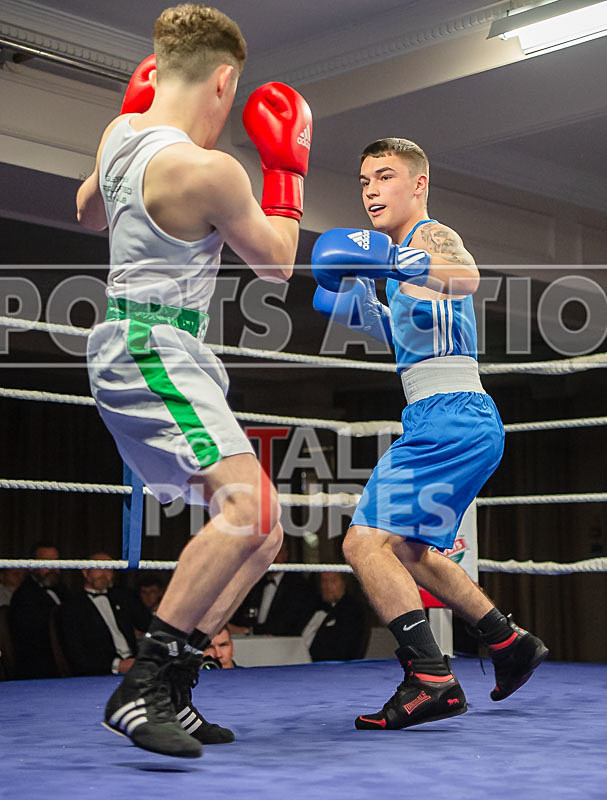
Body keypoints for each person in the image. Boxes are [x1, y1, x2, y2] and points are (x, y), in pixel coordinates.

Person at [77, 4, 312, 758]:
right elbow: (276, 262)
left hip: (144, 342)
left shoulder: (119, 138)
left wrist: (128, 121)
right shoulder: (208, 170)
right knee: (248, 508)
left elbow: (85, 210)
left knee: (264, 532)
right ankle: (140, 683)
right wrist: (287, 169)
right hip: (152, 345)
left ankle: (173, 687)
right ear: (223, 81)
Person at [311, 137, 548, 730]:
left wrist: (397, 264)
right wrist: (375, 311)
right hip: (444, 415)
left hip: (451, 416)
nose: (371, 190)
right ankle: (507, 641)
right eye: (364, 180)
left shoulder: (428, 237)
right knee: (410, 550)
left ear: (417, 184)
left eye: (385, 176)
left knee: (364, 544)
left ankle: (431, 678)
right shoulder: (397, 261)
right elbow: (427, 328)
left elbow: (465, 277)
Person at [59, 553, 151, 676]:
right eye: (99, 568)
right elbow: (76, 654)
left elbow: (148, 624)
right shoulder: (71, 607)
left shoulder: (124, 597)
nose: (104, 573)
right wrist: (117, 665)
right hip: (101, 673)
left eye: (109, 568)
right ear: (85, 572)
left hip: (136, 666)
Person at [229, 539, 317, 636]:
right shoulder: (256, 583)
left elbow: (285, 624)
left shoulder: (297, 586)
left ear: (286, 554)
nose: (273, 558)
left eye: (278, 552)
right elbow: (242, 616)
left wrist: (248, 631)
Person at [8, 543, 70, 679]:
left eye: (56, 562)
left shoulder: (62, 590)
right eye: (47, 563)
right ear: (31, 566)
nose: (53, 568)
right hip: (42, 671)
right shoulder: (24, 597)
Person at [301, 572, 366, 662]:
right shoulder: (313, 606)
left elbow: (343, 651)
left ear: (344, 583)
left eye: (333, 581)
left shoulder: (352, 611)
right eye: (324, 581)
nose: (327, 586)